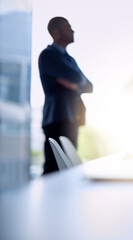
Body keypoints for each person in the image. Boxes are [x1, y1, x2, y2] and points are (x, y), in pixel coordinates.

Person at [38, 17, 93, 174]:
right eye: (68, 27)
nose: (73, 30)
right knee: (54, 168)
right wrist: (77, 83)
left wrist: (73, 84)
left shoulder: (69, 59)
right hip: (57, 118)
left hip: (72, 119)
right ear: (56, 32)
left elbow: (89, 86)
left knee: (69, 166)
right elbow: (77, 78)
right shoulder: (48, 55)